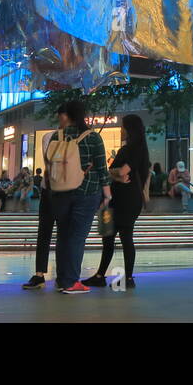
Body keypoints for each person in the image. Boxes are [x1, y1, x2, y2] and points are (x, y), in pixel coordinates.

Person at [23, 100, 110, 293]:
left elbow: (49, 164)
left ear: (66, 115)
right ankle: (71, 282)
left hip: (59, 192)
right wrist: (107, 193)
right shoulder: (92, 137)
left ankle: (63, 279)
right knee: (77, 236)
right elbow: (102, 168)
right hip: (86, 192)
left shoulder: (56, 136)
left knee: (63, 235)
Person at [83, 113, 149, 289]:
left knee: (110, 237)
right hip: (129, 199)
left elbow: (121, 172)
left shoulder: (131, 150)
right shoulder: (140, 149)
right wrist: (116, 174)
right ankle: (125, 278)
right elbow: (120, 173)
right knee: (123, 237)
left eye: (123, 126)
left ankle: (103, 276)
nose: (121, 130)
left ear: (129, 129)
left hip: (121, 199)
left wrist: (111, 173)